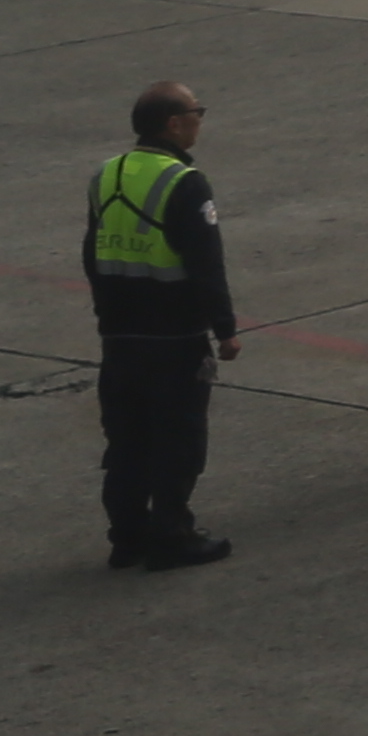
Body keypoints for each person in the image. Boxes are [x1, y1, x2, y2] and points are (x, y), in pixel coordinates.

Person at [83, 80, 240, 568]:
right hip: (174, 335)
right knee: (179, 438)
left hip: (119, 334)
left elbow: (91, 251)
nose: (200, 119)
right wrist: (225, 327)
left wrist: (106, 314)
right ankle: (172, 534)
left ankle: (126, 537)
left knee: (127, 438)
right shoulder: (183, 182)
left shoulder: (106, 174)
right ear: (174, 123)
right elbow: (205, 262)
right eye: (197, 111)